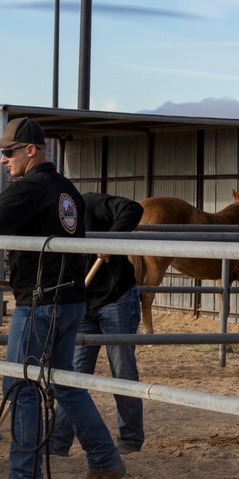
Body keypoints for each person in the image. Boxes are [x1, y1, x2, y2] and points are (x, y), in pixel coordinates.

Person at [0, 117, 125, 479]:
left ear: (30, 151)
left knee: (20, 385)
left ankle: (23, 477)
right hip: (70, 300)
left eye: (9, 152)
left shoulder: (29, 188)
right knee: (62, 382)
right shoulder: (66, 190)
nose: (4, 160)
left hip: (40, 303)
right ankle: (105, 460)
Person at [51, 192, 146, 456]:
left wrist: (109, 240)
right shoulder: (49, 220)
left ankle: (130, 439)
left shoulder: (88, 203)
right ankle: (57, 442)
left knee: (122, 368)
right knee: (74, 374)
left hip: (117, 297)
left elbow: (132, 207)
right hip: (80, 301)